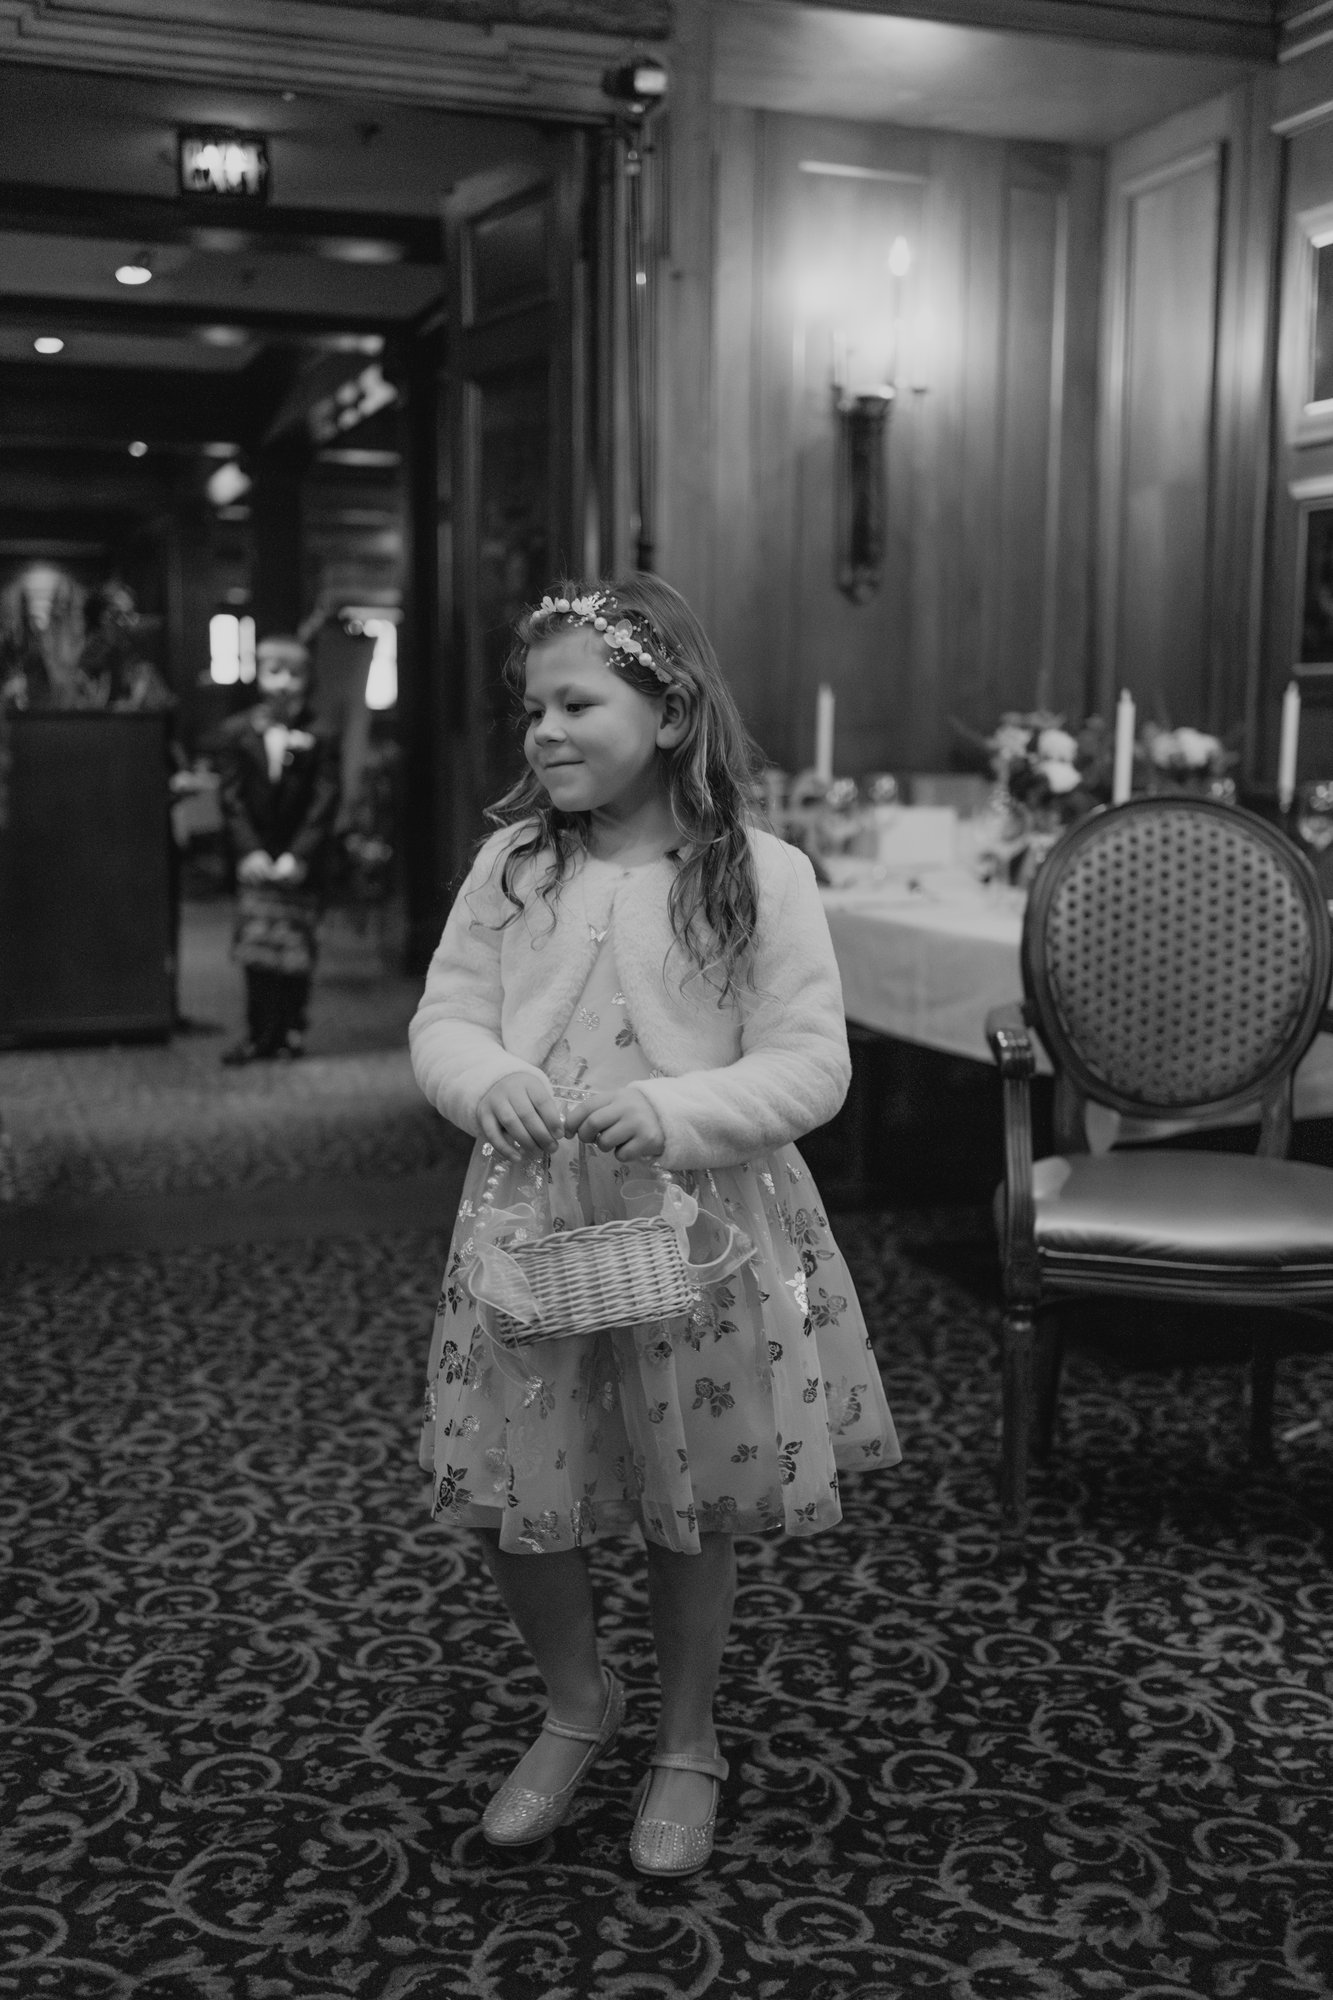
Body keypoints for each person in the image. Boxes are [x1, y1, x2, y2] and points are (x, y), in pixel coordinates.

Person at [410, 575, 900, 1877]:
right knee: (520, 1485)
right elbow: (446, 1017)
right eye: (533, 709)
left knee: (691, 1498)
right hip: (529, 1230)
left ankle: (687, 1735)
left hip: (702, 1241)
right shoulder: (510, 867)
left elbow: (809, 1064)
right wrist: (486, 1077)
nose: (544, 732)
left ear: (671, 709)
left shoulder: (760, 875)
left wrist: (680, 1109)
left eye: (578, 703)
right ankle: (578, 1700)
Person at [216, 635, 341, 1064]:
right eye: (274, 672)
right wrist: (248, 851)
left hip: (299, 862)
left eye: (294, 674)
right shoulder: (237, 732)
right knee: (255, 949)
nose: (283, 683)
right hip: (256, 860)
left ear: (308, 680)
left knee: (296, 949)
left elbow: (325, 801)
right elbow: (230, 798)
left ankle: (291, 1029)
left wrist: (299, 855)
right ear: (258, 677)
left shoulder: (321, 734)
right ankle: (258, 1032)